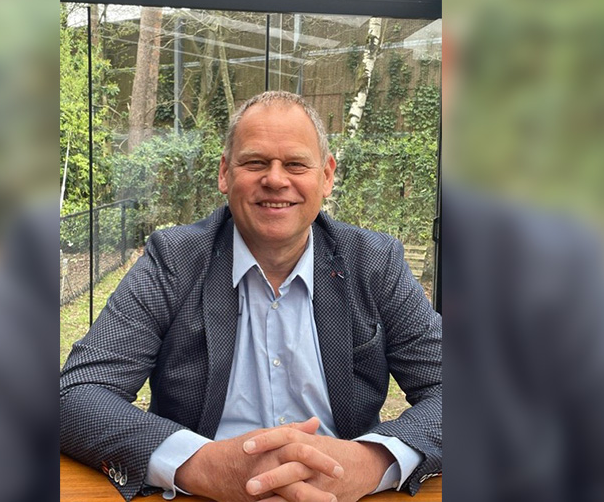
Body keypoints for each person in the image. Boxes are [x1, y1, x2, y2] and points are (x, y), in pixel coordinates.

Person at [59, 91, 442, 502]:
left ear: (327, 176)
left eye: (295, 164)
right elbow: (75, 395)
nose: (275, 179)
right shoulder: (174, 260)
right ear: (225, 173)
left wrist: (369, 464)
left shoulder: (373, 262)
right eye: (255, 162)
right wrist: (203, 466)